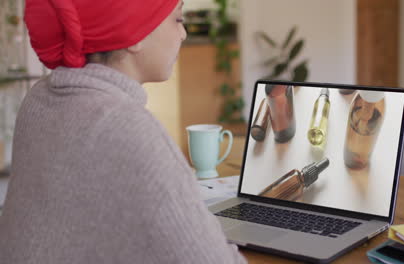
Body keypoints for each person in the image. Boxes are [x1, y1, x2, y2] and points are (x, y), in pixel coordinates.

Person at [0, 0, 246, 263]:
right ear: (134, 35)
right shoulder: (128, 128)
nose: (183, 33)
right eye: (177, 19)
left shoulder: (38, 100)